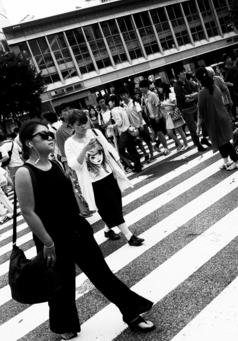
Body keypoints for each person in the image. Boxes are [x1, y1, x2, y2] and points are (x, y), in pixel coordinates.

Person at [16, 119, 155, 340]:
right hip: (51, 237)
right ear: (28, 143)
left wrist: (82, 215)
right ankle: (65, 325)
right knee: (61, 285)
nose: (50, 137)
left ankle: (131, 312)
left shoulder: (57, 164)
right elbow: (28, 212)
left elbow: (70, 193)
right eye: (43, 135)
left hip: (77, 229)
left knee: (102, 274)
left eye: (50, 133)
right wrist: (48, 243)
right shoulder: (25, 173)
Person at [65, 110, 144, 245]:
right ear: (72, 126)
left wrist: (119, 164)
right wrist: (84, 149)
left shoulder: (95, 132)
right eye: (79, 125)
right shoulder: (70, 143)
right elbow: (74, 165)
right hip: (93, 182)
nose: (84, 126)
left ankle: (108, 229)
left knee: (117, 206)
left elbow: (108, 148)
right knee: (111, 207)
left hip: (108, 175)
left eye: (85, 123)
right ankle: (129, 236)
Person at [195, 67, 238, 171]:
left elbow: (200, 112)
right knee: (220, 141)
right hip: (223, 116)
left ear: (198, 80)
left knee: (223, 142)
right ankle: (226, 161)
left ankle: (236, 161)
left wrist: (198, 127)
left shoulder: (202, 93)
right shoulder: (215, 86)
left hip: (215, 120)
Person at [174, 70, 210, 152]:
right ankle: (198, 144)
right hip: (186, 110)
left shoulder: (188, 82)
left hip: (194, 106)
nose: (184, 73)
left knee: (204, 123)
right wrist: (192, 96)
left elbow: (197, 92)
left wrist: (189, 96)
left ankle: (204, 139)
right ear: (178, 75)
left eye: (184, 71)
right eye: (182, 72)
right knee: (193, 128)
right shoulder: (176, 86)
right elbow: (183, 99)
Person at [119, 88, 155, 163]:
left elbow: (139, 113)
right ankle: (146, 154)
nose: (123, 96)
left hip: (141, 125)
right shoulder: (122, 105)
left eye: (124, 94)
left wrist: (141, 124)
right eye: (121, 95)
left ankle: (152, 156)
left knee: (147, 141)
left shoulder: (134, 102)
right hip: (133, 127)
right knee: (138, 142)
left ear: (127, 94)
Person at [109, 95, 143, 173]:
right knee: (132, 150)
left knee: (121, 151)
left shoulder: (113, 110)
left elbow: (119, 122)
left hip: (124, 133)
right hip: (129, 131)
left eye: (109, 102)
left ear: (113, 102)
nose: (109, 103)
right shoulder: (122, 108)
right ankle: (138, 166)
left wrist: (112, 126)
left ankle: (136, 162)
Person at [139, 80, 171, 155]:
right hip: (151, 118)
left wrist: (156, 116)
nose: (141, 89)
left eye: (143, 87)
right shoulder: (143, 96)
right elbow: (143, 107)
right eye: (141, 87)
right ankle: (161, 147)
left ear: (147, 87)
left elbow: (157, 104)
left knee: (160, 132)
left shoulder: (152, 94)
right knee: (159, 133)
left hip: (157, 116)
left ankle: (166, 148)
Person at [55, 104, 74, 172]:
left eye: (70, 109)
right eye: (65, 110)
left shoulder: (80, 124)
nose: (69, 111)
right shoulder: (59, 132)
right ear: (61, 115)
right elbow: (62, 150)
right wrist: (67, 167)